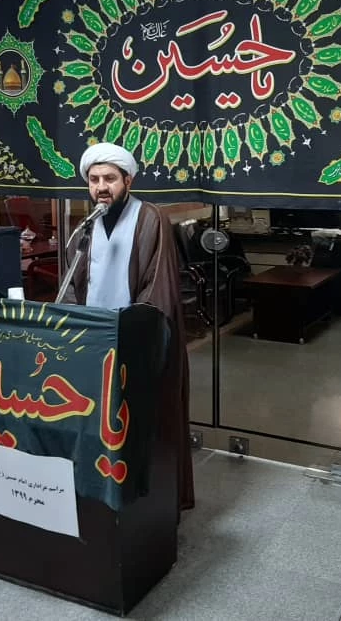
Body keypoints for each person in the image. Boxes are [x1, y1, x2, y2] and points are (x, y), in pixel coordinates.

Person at [63, 142, 195, 513]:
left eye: (109, 179)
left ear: (128, 181)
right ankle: (99, 495)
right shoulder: (87, 224)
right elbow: (73, 284)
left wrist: (135, 332)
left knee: (140, 425)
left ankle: (146, 503)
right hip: (94, 343)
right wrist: (72, 325)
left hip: (135, 343)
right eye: (94, 180)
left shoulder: (150, 218)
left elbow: (157, 285)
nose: (101, 187)